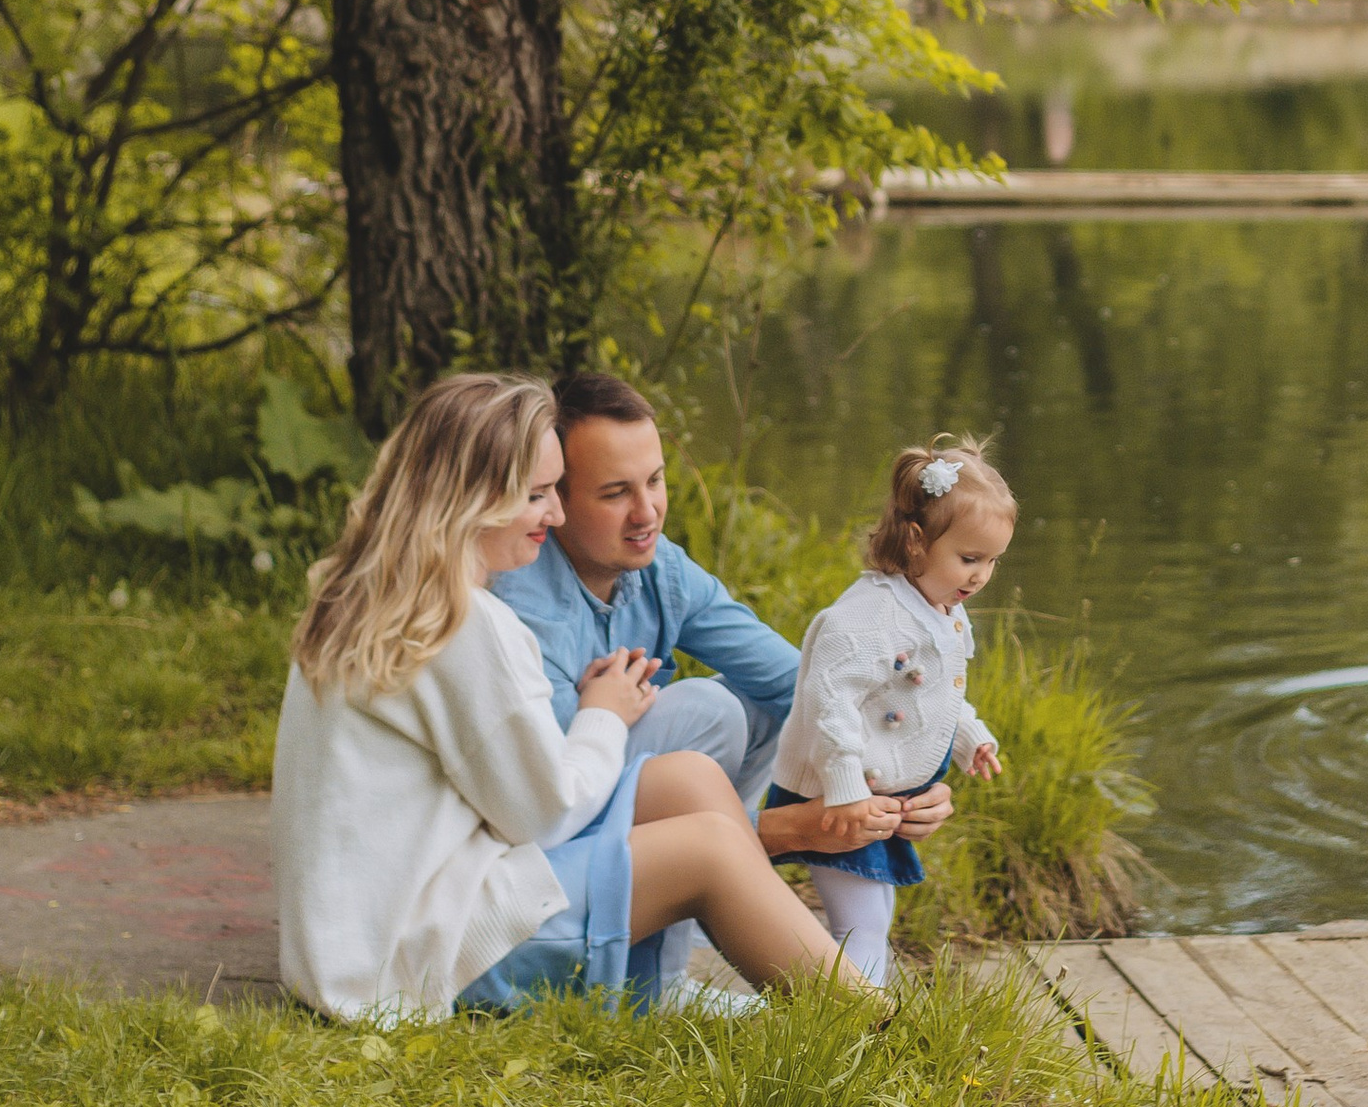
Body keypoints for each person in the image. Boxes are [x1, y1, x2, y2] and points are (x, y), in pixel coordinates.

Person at [271, 370, 864, 1021]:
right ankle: (871, 1027)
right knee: (710, 851)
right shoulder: (464, 623)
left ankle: (683, 992)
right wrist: (603, 714)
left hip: (375, 938)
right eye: (537, 495)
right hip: (420, 959)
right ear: (472, 500)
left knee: (690, 778)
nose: (552, 515)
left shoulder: (378, 595)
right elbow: (544, 815)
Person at [490, 370, 803, 815]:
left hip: (614, 786)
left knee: (765, 703)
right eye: (616, 493)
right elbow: (550, 791)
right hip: (555, 818)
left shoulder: (663, 568)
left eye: (654, 481)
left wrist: (900, 772)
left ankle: (722, 863)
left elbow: (795, 682)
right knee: (710, 709)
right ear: (557, 498)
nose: (647, 513)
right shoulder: (519, 604)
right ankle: (723, 854)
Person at [760, 435, 1010, 986]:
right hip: (838, 790)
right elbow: (831, 699)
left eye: (992, 561)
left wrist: (971, 737)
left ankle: (844, 1004)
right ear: (917, 543)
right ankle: (855, 1013)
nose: (980, 576)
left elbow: (940, 693)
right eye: (969, 559)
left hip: (878, 793)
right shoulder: (869, 618)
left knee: (872, 914)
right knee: (865, 919)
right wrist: (845, 787)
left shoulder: (941, 607)